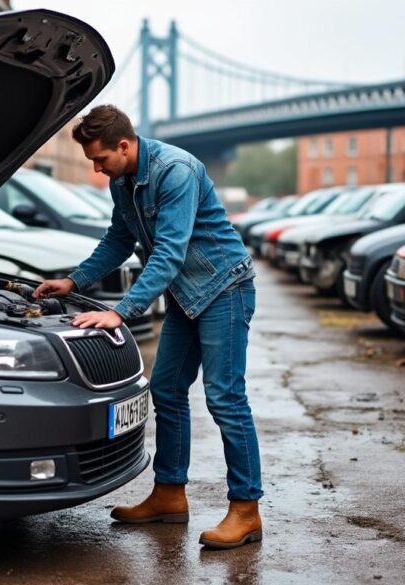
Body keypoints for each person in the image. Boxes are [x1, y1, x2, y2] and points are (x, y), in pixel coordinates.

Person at [34, 105, 262, 549]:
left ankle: (246, 510)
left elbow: (170, 252)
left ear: (125, 144)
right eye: (92, 163)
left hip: (224, 288)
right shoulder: (123, 181)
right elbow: (118, 239)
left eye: (101, 160)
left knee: (225, 397)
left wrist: (121, 310)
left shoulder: (175, 171)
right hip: (185, 295)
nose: (97, 170)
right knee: (167, 389)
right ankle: (170, 495)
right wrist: (74, 279)